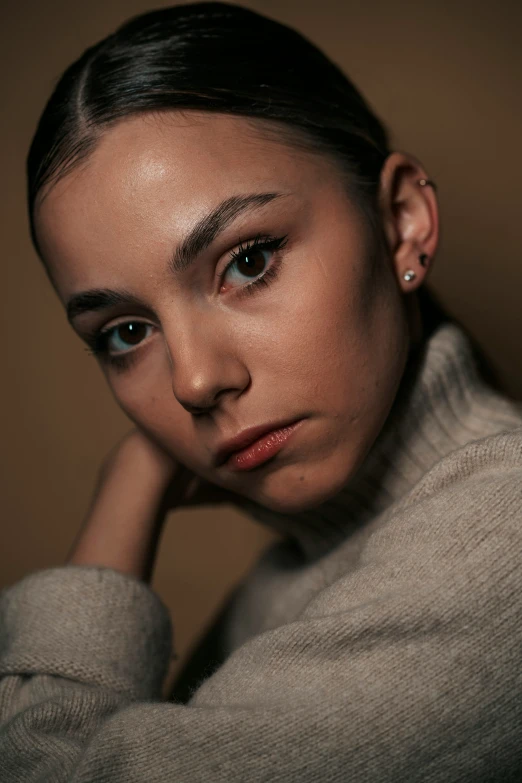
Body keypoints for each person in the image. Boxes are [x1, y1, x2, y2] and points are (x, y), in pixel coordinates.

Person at [1, 2, 522, 780]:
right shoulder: (306, 568)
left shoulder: (499, 539)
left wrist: (129, 484)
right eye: (126, 332)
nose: (195, 380)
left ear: (404, 221)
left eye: (247, 261)